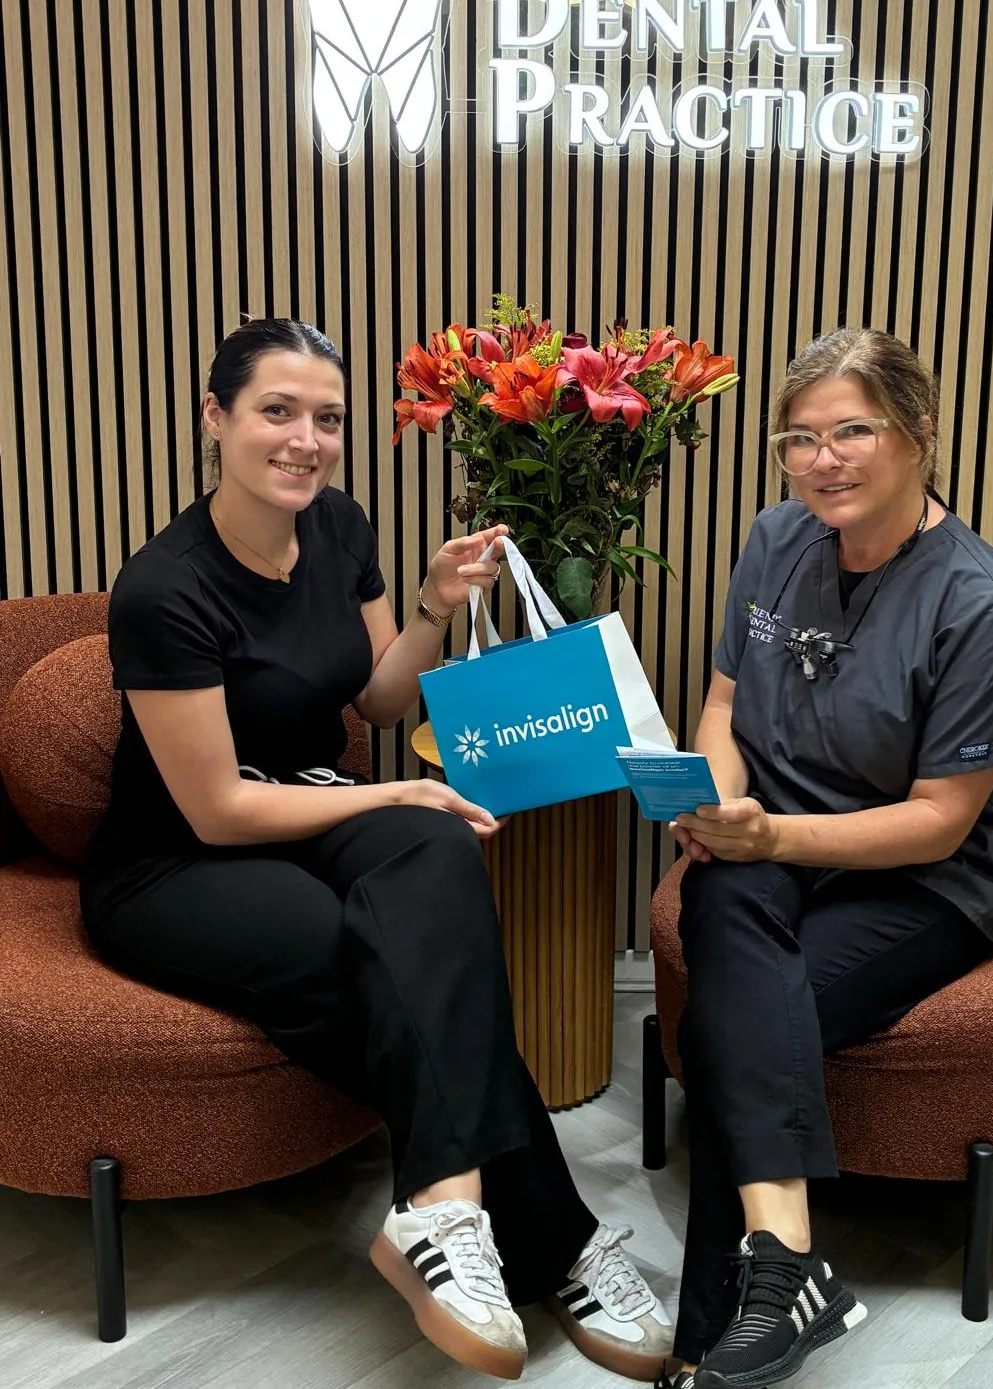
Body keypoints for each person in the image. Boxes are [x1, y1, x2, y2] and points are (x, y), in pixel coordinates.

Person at [80, 317, 673, 1383]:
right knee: (364, 942)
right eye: (276, 411)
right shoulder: (164, 589)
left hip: (308, 809)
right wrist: (396, 788)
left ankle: (441, 1212)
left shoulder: (341, 526)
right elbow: (215, 809)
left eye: (328, 417)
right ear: (215, 419)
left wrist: (439, 608)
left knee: (434, 853)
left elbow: (381, 698)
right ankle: (558, 1237)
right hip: (175, 863)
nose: (306, 439)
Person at [657, 329, 993, 1389]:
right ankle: (785, 1260)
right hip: (777, 845)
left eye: (851, 431)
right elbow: (726, 703)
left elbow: (940, 822)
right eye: (798, 438)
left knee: (738, 1026)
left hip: (924, 879)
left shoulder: (978, 602)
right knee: (727, 903)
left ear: (916, 433)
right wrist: (720, 796)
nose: (822, 460)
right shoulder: (777, 538)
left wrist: (766, 834)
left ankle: (701, 1349)